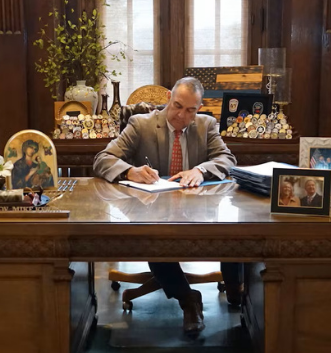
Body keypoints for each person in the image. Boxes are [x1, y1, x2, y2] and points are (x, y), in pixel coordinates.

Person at [91, 76, 241, 337]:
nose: (181, 115)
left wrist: (201, 170)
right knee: (157, 240)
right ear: (168, 100)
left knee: (238, 230)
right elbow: (102, 159)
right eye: (177, 106)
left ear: (199, 109)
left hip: (196, 212)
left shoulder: (206, 125)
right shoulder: (141, 124)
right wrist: (129, 172)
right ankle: (189, 300)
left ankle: (238, 295)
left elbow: (227, 158)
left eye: (190, 110)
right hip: (150, 211)